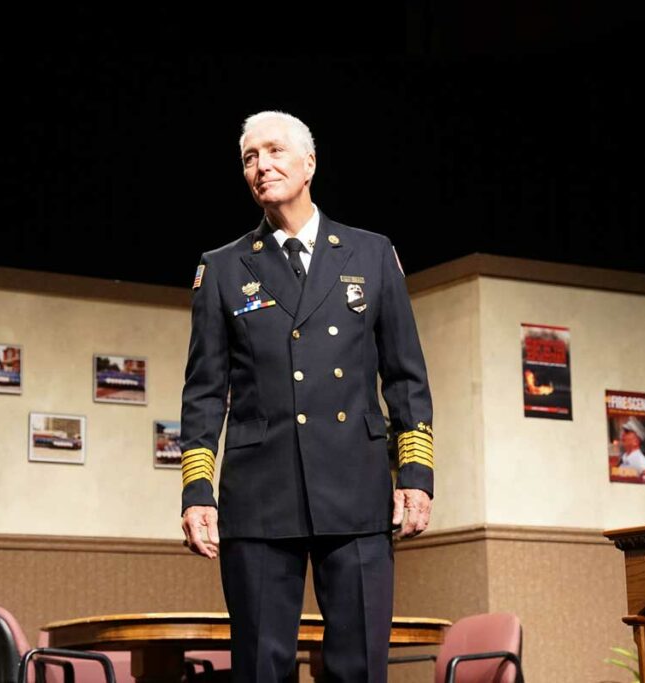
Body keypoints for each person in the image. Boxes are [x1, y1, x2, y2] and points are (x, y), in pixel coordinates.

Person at [179, 110, 434, 682]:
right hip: (260, 492)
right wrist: (197, 490)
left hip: (357, 488)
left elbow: (406, 377)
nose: (261, 166)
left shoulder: (371, 255)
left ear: (309, 163)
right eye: (249, 157)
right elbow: (202, 393)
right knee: (261, 667)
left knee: (359, 667)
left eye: (273, 151)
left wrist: (414, 476)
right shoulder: (221, 268)